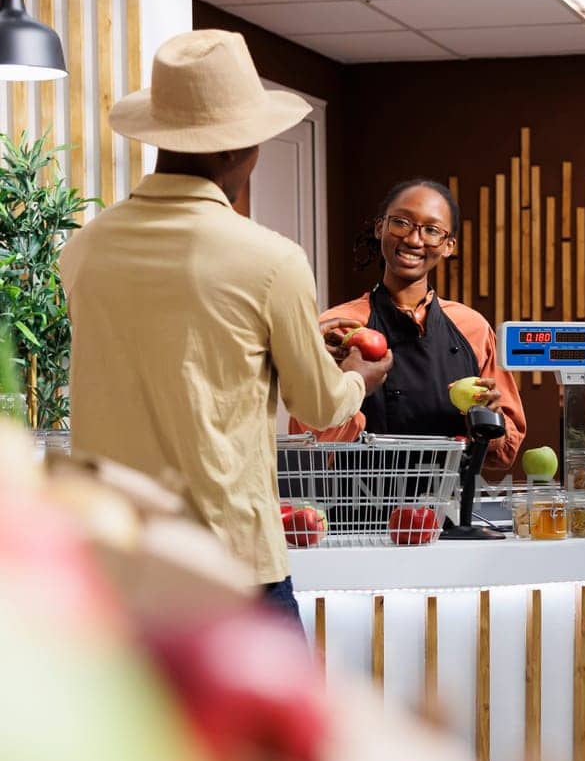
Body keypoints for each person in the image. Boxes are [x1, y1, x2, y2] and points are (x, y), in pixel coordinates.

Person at [60, 30, 392, 623]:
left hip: (112, 563)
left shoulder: (84, 250)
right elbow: (317, 406)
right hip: (226, 558)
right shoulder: (270, 259)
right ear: (237, 151)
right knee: (267, 719)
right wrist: (360, 379)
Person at [292, 179, 525, 471]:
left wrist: (486, 421)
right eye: (401, 223)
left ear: (448, 245)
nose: (414, 240)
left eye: (431, 230)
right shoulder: (338, 328)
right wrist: (352, 388)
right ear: (380, 228)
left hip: (448, 510)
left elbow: (503, 454)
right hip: (357, 513)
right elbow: (307, 443)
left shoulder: (472, 327)